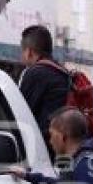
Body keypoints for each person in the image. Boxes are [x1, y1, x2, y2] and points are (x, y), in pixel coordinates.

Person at [18, 25, 69, 158]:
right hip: (65, 148)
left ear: (29, 52)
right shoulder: (62, 72)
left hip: (43, 152)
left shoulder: (34, 73)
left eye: (22, 51)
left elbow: (21, 115)